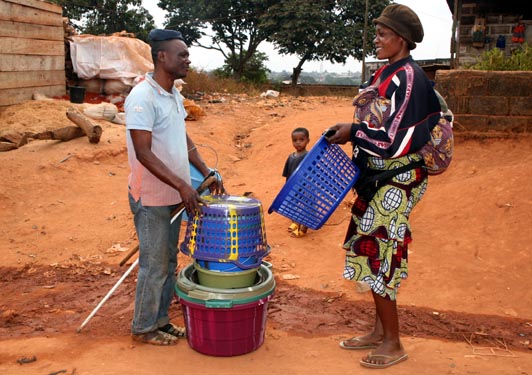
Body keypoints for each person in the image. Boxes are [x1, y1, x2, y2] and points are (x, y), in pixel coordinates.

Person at [326, 4, 442, 369]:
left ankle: (393, 342)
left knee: (380, 253)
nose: (375, 40)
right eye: (376, 33)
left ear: (402, 40)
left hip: (397, 179)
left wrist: (353, 131)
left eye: (382, 34)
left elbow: (396, 139)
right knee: (371, 248)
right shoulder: (387, 73)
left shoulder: (407, 77)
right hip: (378, 178)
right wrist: (352, 133)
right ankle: (379, 332)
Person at [125, 29, 223, 346]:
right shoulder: (142, 97)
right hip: (152, 199)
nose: (188, 60)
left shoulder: (174, 95)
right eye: (182, 55)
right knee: (153, 266)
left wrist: (207, 171)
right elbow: (143, 152)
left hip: (173, 197)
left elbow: (183, 139)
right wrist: (183, 185)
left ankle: (161, 321)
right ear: (162, 57)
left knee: (167, 263)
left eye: (188, 55)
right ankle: (144, 327)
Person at [282, 127, 310, 237]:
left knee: (306, 207)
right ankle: (295, 224)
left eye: (301, 139)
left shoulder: (308, 156)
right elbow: (287, 174)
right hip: (292, 187)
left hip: (305, 187)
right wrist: (286, 187)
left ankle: (303, 230)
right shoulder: (291, 157)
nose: (298, 142)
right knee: (292, 206)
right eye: (295, 140)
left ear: (308, 140)